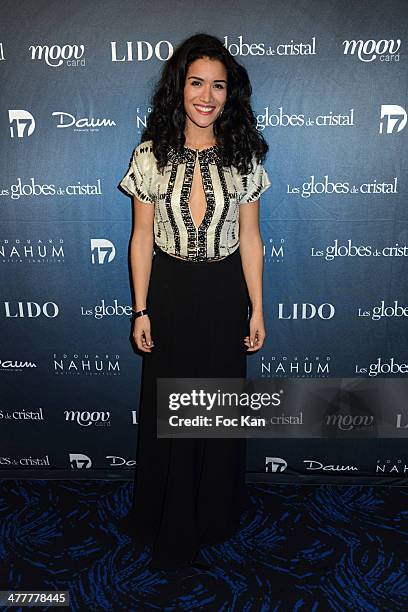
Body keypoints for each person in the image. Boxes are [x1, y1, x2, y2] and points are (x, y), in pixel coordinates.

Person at [118, 32, 271, 571]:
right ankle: (169, 517)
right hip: (172, 293)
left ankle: (214, 514)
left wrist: (256, 305)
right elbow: (141, 237)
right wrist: (141, 308)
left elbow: (250, 237)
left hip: (224, 293)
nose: (207, 96)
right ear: (178, 89)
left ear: (231, 95)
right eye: (196, 83)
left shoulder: (245, 153)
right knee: (170, 411)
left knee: (218, 409)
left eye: (219, 86)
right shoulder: (149, 155)